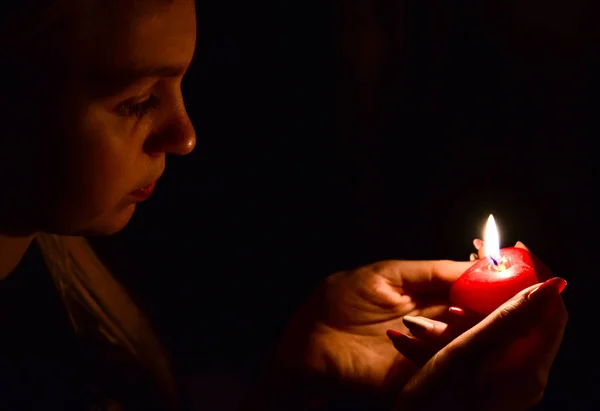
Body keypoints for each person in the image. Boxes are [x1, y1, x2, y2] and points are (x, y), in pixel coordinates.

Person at [0, 1, 567, 410]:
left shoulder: (69, 299)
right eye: (137, 100)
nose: (185, 136)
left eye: (180, 87)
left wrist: (299, 378)